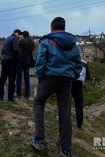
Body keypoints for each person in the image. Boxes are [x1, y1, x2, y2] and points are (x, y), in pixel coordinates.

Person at [30, 17, 82, 157]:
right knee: (64, 111)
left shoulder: (47, 40)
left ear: (51, 28)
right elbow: (79, 63)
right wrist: (73, 75)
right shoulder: (73, 43)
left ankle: (39, 139)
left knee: (39, 102)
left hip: (49, 78)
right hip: (66, 80)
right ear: (64, 28)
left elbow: (40, 60)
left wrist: (41, 76)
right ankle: (65, 150)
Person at [0, 29, 22, 102]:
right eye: (19, 34)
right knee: (11, 79)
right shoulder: (14, 39)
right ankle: (10, 98)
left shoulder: (7, 39)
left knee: (2, 79)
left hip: (4, 60)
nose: (19, 36)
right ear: (15, 33)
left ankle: (0, 97)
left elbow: (2, 51)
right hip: (11, 61)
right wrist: (17, 60)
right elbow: (16, 50)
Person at [16, 31, 35, 99]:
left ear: (23, 35)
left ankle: (18, 95)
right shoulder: (32, 42)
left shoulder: (21, 41)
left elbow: (18, 47)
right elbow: (32, 49)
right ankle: (27, 95)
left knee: (19, 78)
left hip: (20, 61)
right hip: (27, 61)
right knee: (27, 78)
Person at [71, 59, 90, 129]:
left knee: (66, 101)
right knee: (79, 103)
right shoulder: (84, 62)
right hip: (79, 82)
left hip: (70, 81)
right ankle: (79, 123)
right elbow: (88, 75)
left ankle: (65, 119)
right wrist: (83, 79)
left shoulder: (68, 58)